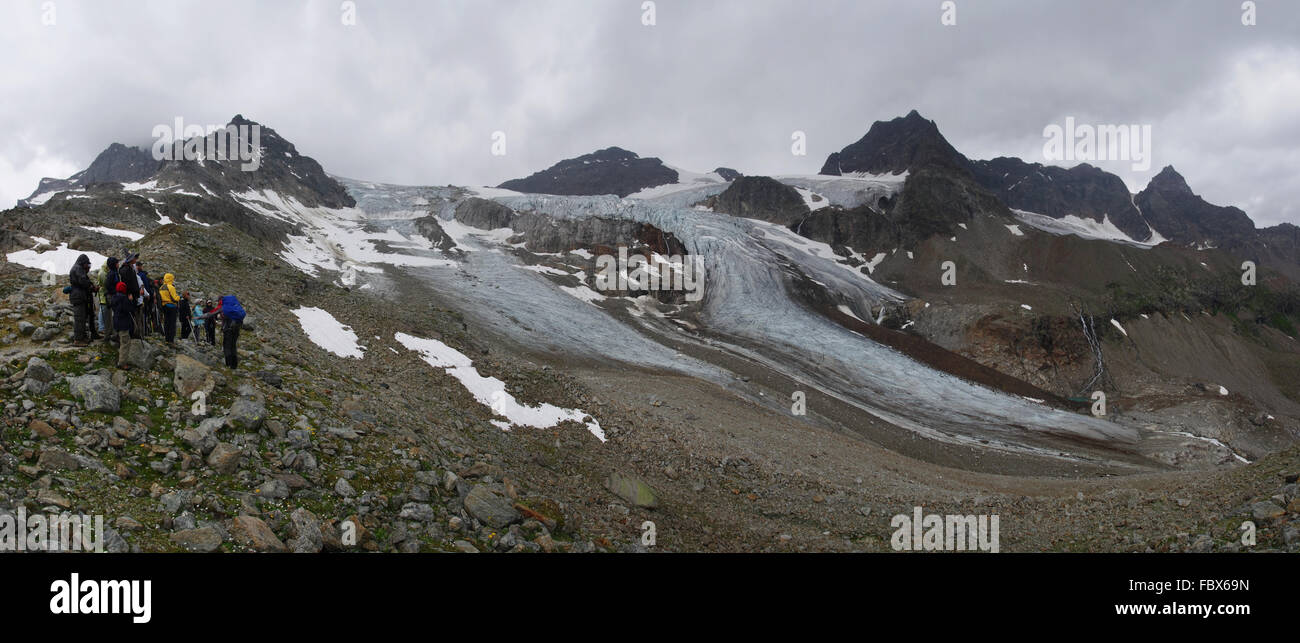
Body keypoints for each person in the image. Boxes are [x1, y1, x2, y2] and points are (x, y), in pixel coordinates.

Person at [201, 294, 246, 368]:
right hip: (236, 329)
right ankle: (234, 365)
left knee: (227, 346)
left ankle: (228, 364)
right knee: (233, 346)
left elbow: (214, 315)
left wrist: (198, 317)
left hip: (228, 329)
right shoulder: (234, 307)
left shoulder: (224, 308)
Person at [68, 254, 98, 346]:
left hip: (79, 296)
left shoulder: (77, 268)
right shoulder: (78, 269)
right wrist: (92, 287)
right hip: (78, 296)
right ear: (83, 262)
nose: (87, 266)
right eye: (87, 264)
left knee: (82, 317)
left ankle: (83, 337)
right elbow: (84, 281)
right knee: (79, 319)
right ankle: (78, 340)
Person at [109, 281, 135, 369]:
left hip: (116, 322)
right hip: (123, 323)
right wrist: (130, 300)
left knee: (122, 341)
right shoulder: (124, 298)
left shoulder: (114, 297)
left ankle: (121, 360)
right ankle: (122, 363)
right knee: (125, 343)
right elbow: (129, 309)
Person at [118, 254, 142, 339]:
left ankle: (132, 333)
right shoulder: (126, 269)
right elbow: (126, 283)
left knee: (133, 314)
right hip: (130, 295)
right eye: (135, 258)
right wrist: (129, 293)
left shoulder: (130, 268)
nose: (136, 259)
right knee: (131, 314)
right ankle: (130, 334)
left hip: (133, 294)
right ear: (131, 259)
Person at [100, 257, 121, 343]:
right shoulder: (112, 273)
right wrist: (116, 291)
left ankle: (112, 334)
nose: (118, 264)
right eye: (117, 263)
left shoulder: (114, 272)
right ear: (114, 264)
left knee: (113, 316)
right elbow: (108, 285)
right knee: (112, 316)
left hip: (113, 296)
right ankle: (110, 335)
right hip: (112, 297)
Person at [158, 273, 182, 344]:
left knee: (166, 322)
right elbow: (174, 298)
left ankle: (166, 338)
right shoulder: (171, 287)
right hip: (172, 306)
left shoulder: (161, 287)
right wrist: (179, 297)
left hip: (164, 306)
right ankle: (171, 339)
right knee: (172, 323)